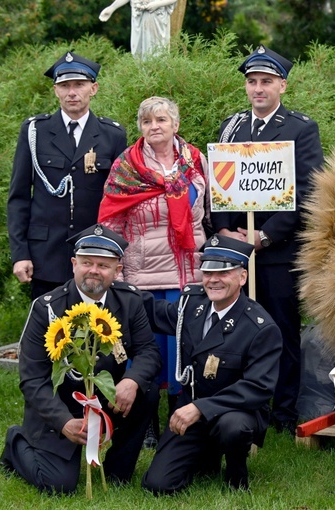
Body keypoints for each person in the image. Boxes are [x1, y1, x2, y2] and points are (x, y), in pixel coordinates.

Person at [0, 224, 161, 494]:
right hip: (61, 406)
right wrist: (63, 422)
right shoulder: (47, 308)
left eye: (103, 265)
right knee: (59, 486)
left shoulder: (130, 301)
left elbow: (148, 352)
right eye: (87, 262)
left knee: (148, 391)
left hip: (107, 399)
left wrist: (132, 380)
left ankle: (118, 471)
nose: (94, 270)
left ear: (117, 270)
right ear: (74, 264)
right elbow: (32, 379)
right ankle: (16, 442)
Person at [215, 45, 324, 434]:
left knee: (279, 329)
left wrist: (266, 234)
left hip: (277, 251)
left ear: (282, 85)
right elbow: (221, 183)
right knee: (236, 329)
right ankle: (245, 406)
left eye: (266, 81)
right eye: (252, 82)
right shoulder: (231, 127)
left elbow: (310, 191)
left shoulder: (299, 128)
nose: (258, 89)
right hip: (236, 252)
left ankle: (283, 413)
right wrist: (225, 230)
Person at [98, 96, 208, 443]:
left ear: (176, 124)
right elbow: (111, 222)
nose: (154, 127)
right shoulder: (125, 167)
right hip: (142, 275)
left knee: (182, 348)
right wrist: (114, 275)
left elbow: (210, 211)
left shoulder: (196, 160)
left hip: (188, 272)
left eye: (161, 120)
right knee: (145, 349)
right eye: (147, 122)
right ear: (140, 128)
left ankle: (179, 421)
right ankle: (143, 423)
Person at [140, 235, 283, 493]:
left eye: (224, 272)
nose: (213, 279)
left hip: (236, 411)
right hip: (192, 410)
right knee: (158, 485)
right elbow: (152, 311)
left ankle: (236, 473)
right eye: (207, 272)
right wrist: (109, 287)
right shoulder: (192, 306)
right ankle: (207, 455)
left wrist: (200, 407)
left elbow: (258, 388)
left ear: (242, 277)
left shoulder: (260, 328)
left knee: (233, 427)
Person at [7, 52, 128, 300]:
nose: (72, 92)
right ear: (55, 91)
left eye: (79, 85)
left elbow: (118, 201)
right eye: (64, 85)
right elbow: (18, 198)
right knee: (47, 332)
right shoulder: (34, 131)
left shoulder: (112, 135)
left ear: (93, 88)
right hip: (45, 256)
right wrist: (20, 254)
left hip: (95, 257)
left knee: (96, 331)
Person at [99, 0, 178, 58]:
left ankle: (154, 76)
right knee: (138, 53)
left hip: (155, 16)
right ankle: (142, 77)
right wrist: (111, 8)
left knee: (155, 51)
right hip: (138, 16)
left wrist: (157, 4)